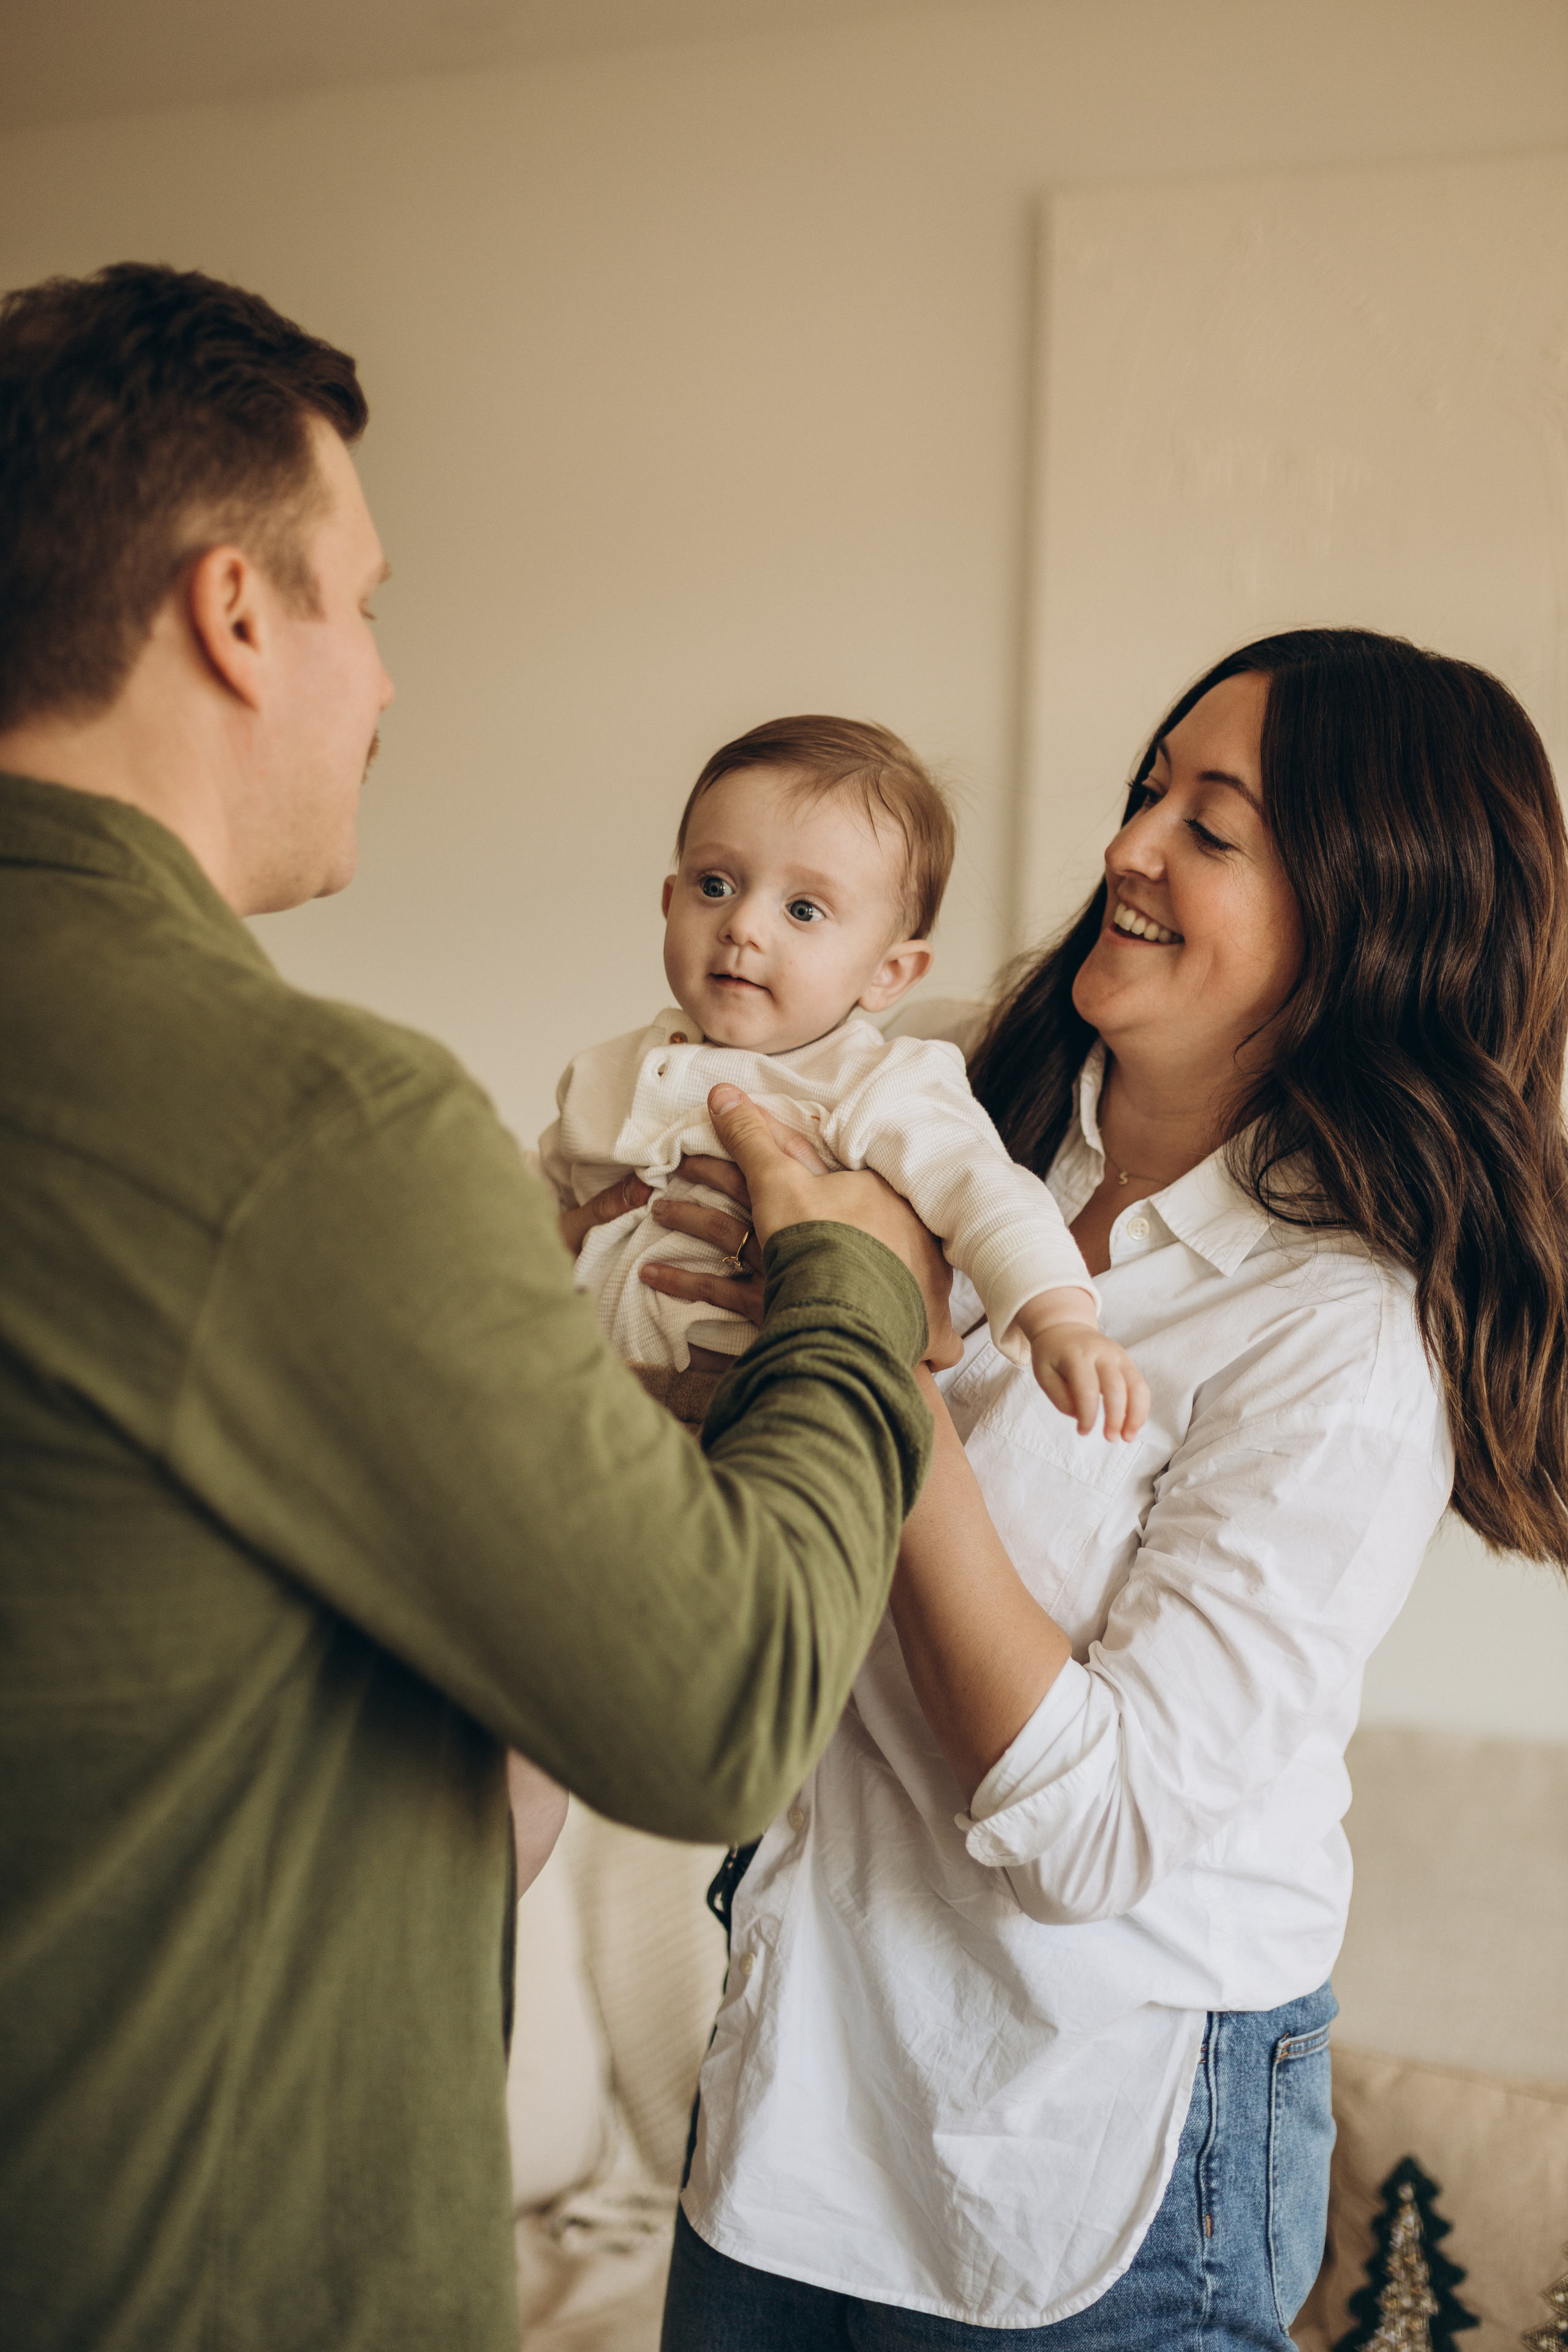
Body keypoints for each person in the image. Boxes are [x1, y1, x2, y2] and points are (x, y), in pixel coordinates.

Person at [0, 262, 958, 2352]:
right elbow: (716, 1704)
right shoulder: (312, 1128)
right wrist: (853, 1287)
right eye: (365, 600)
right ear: (235, 615)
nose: (386, 680)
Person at [648, 631, 1568, 2349]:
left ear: (1370, 913)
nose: (1128, 848)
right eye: (1151, 788)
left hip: (1080, 2150)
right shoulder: (934, 1113)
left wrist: (882, 1365)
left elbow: (1095, 1831)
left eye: (1211, 828)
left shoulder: (1340, 1334)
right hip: (797, 2084)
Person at [543, 714, 1147, 1440]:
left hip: (749, 1425)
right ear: (669, 903)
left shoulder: (880, 1084)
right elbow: (521, 1198)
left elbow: (983, 1191)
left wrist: (1058, 1321)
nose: (742, 925)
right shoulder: (609, 1070)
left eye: (803, 909)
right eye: (716, 885)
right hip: (574, 1399)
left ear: (889, 973)